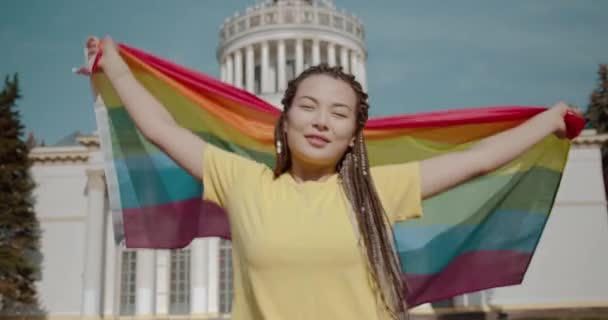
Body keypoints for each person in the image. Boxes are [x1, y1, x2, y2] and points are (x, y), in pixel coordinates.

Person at [84, 36, 581, 320]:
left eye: (339, 114)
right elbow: (162, 130)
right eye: (309, 106)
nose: (322, 121)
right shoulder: (240, 181)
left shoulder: (378, 190)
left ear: (353, 134)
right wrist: (116, 67)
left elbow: (480, 160)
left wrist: (550, 121)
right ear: (285, 119)